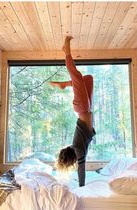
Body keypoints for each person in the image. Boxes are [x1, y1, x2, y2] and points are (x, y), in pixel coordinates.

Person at [49, 36, 96, 187]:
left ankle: (66, 50)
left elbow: (81, 169)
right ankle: (65, 84)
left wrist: (82, 187)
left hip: (82, 108)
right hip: (85, 109)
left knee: (75, 73)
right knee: (87, 78)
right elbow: (80, 167)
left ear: (73, 157)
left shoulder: (78, 151)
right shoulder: (77, 149)